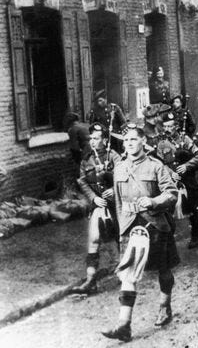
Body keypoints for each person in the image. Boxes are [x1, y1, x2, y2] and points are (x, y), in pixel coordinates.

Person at [102, 124, 179, 342]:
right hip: (129, 226)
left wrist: (154, 201)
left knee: (163, 268)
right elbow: (118, 203)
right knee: (128, 274)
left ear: (143, 142)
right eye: (126, 141)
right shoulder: (119, 168)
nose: (129, 144)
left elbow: (171, 193)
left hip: (154, 225)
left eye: (133, 140)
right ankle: (124, 325)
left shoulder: (156, 166)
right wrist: (122, 230)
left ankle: (165, 306)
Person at [71, 123, 122, 295]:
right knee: (94, 238)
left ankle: (120, 268)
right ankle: (91, 280)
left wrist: (113, 189)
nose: (92, 141)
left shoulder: (113, 156)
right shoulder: (86, 159)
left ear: (105, 140)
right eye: (91, 138)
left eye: (96, 138)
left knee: (114, 237)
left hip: (115, 204)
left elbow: (125, 177)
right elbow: (82, 181)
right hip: (99, 204)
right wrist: (94, 198)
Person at [157, 112, 198, 249]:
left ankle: (195, 236)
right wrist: (171, 173)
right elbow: (160, 164)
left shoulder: (185, 139)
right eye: (165, 126)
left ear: (176, 126)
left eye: (170, 126)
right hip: (171, 180)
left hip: (187, 179)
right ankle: (169, 239)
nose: (167, 129)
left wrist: (186, 166)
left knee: (193, 208)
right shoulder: (162, 144)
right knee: (168, 209)